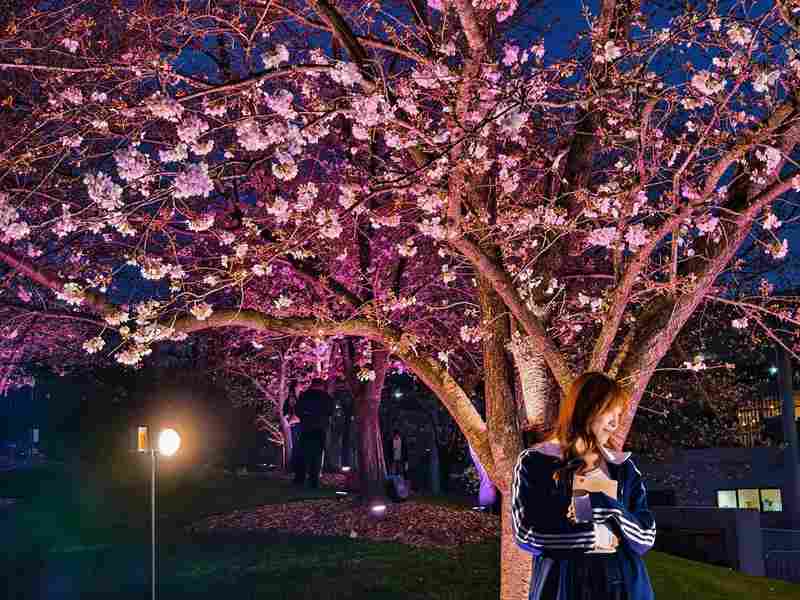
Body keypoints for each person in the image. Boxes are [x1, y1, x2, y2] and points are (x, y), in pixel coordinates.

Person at [511, 372, 656, 600]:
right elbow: (527, 534)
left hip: (624, 589)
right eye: (609, 412)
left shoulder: (623, 467)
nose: (615, 424)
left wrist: (611, 509)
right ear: (586, 408)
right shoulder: (536, 462)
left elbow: (646, 536)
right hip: (562, 588)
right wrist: (593, 535)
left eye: (619, 414)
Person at [293, 378, 336, 488]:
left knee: (303, 453)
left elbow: (297, 410)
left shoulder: (304, 395)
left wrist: (305, 417)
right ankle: (313, 480)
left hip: (306, 427)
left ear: (312, 385)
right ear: (321, 385)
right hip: (320, 428)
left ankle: (300, 478)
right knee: (316, 455)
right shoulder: (326, 397)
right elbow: (331, 412)